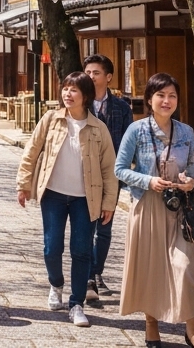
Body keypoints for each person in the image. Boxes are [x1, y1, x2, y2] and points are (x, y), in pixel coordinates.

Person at [16, 73, 118, 327]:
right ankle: (56, 284)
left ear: (85, 96)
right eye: (65, 89)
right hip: (53, 194)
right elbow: (32, 151)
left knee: (82, 251)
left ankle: (77, 304)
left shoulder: (98, 128)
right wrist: (23, 185)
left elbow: (109, 169)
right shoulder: (51, 119)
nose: (67, 94)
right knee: (52, 248)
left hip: (86, 199)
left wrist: (109, 203)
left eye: (73, 90)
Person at [115, 73, 194, 348]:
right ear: (149, 99)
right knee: (150, 269)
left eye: (172, 96)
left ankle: (192, 332)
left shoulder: (186, 132)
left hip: (179, 208)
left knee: (186, 267)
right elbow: (119, 170)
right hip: (147, 206)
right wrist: (148, 180)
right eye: (161, 95)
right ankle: (151, 326)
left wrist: (190, 180)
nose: (166, 101)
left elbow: (193, 167)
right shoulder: (137, 130)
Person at [84, 53, 132, 300]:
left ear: (109, 77)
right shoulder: (80, 104)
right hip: (83, 176)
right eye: (88, 72)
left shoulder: (122, 108)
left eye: (96, 73)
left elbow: (127, 143)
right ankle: (89, 276)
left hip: (111, 176)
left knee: (104, 228)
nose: (91, 77)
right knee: (86, 227)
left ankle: (96, 272)